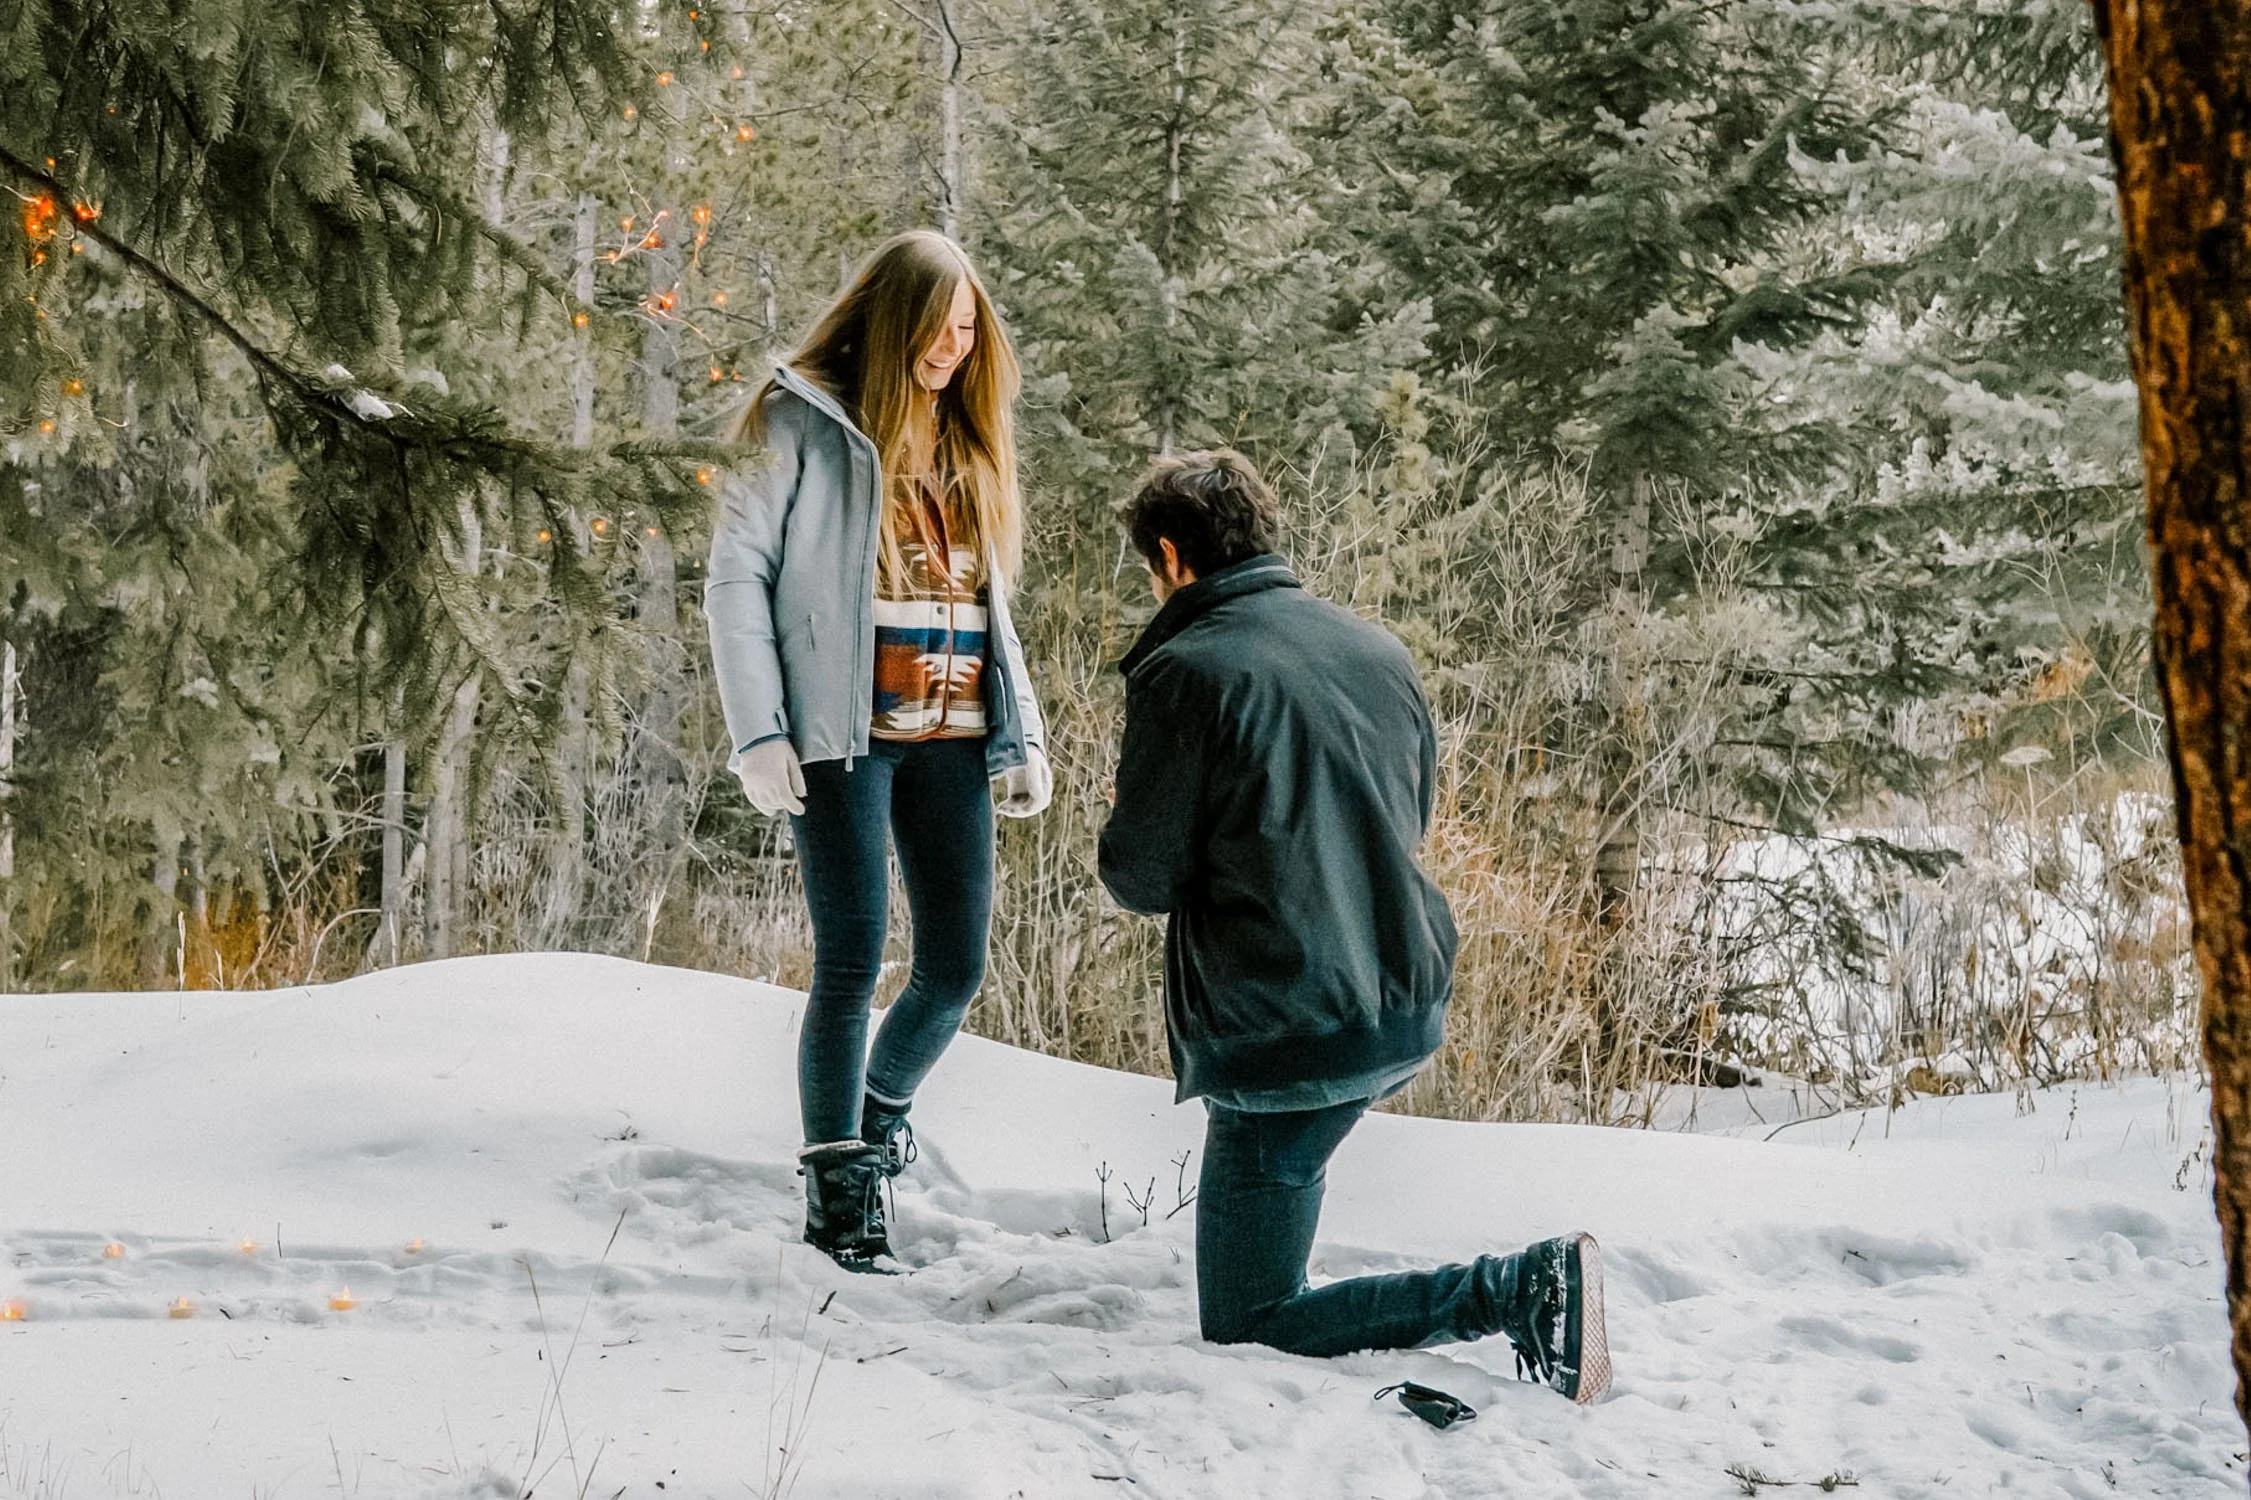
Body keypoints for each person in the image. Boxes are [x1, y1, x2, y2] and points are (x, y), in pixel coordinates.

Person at [1096, 450, 1610, 1402]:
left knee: (1250, 1321)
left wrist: (1131, 809)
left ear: (1169, 556)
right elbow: (1402, 811)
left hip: (1284, 1026)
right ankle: (1509, 1289)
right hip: (1398, 986)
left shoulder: (1184, 670)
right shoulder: (1375, 648)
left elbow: (1142, 877)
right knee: (1275, 1211)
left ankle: (1515, 1289)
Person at [706, 231, 1051, 1273]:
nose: (952, 349)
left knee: (954, 968)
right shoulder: (798, 417)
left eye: (966, 331)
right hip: (842, 742)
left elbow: (985, 602)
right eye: (938, 328)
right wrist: (760, 732)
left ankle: (872, 1117)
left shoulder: (964, 433)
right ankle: (840, 1196)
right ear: (891, 317)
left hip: (951, 737)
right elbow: (737, 579)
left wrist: (1020, 731)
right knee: (850, 962)